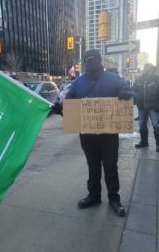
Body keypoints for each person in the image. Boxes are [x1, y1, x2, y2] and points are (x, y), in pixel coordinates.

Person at [65, 49, 133, 217]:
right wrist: (62, 108)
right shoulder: (78, 83)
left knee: (110, 166)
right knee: (92, 165)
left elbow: (132, 93)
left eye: (93, 58)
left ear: (99, 60)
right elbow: (69, 102)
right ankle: (94, 196)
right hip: (87, 135)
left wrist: (127, 93)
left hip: (108, 134)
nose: (90, 61)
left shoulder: (113, 79)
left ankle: (114, 198)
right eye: (87, 59)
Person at [133, 63, 159, 152]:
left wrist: (157, 105)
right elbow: (134, 90)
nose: (148, 70)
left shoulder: (157, 79)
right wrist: (134, 99)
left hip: (153, 106)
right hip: (142, 106)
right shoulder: (139, 79)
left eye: (150, 68)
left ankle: (158, 144)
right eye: (147, 68)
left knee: (156, 125)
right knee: (142, 124)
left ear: (152, 69)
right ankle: (144, 142)